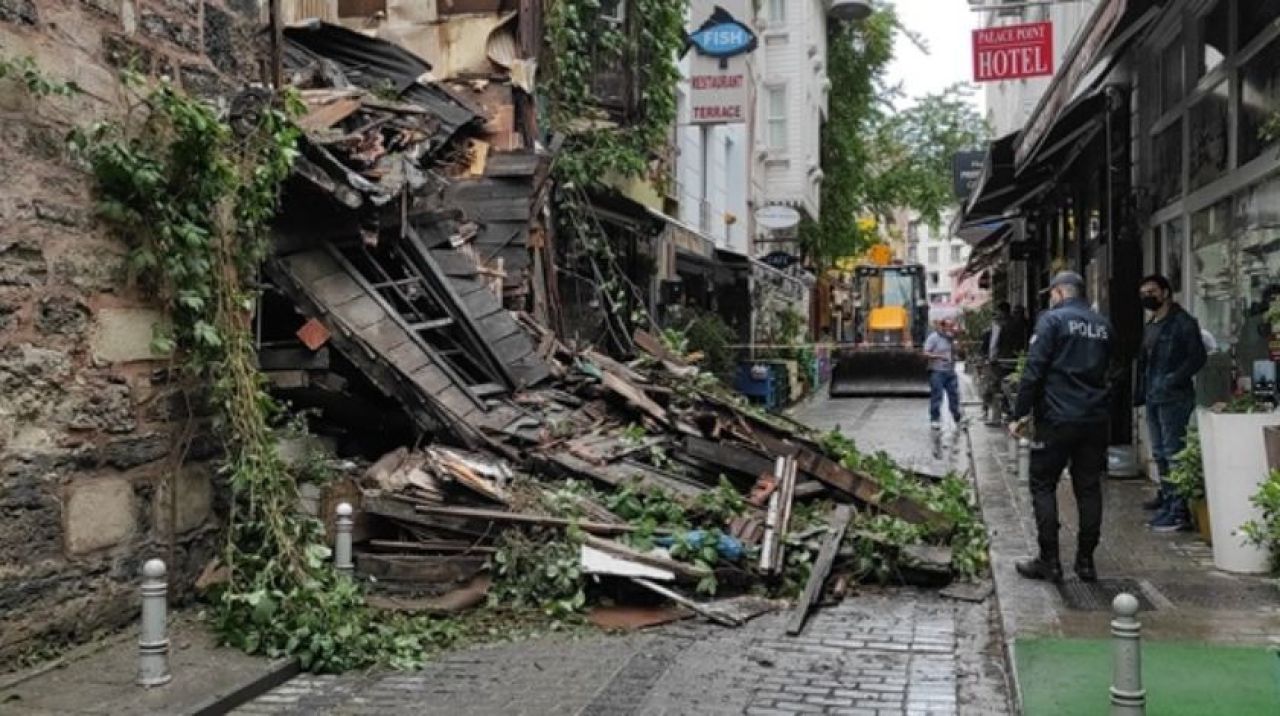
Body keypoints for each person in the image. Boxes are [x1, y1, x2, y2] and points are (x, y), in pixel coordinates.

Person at [1009, 272, 1113, 583]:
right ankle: (1085, 563)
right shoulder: (1103, 325)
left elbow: (1033, 370)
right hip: (1094, 418)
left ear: (1058, 293)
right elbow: (1111, 368)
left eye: (1051, 294)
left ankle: (1049, 562)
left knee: (1042, 484)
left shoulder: (1052, 321)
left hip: (1056, 418)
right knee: (1089, 488)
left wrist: (1019, 413)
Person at [1135, 274, 1207, 532]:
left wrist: (1172, 380)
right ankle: (1167, 499)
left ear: (1165, 292)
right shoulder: (1152, 323)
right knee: (1160, 452)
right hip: (1154, 396)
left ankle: (1178, 511)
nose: (1147, 296)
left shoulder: (1183, 323)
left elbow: (1197, 358)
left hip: (1174, 397)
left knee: (1173, 452)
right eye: (1143, 292)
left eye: (1152, 291)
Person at [924, 319, 964, 430]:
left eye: (952, 326)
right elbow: (926, 353)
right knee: (937, 395)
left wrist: (957, 344)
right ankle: (935, 419)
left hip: (950, 371)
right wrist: (938, 356)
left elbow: (959, 353)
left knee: (954, 395)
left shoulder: (952, 339)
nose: (951, 328)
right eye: (949, 326)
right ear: (942, 327)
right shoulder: (934, 338)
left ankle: (957, 417)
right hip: (937, 371)